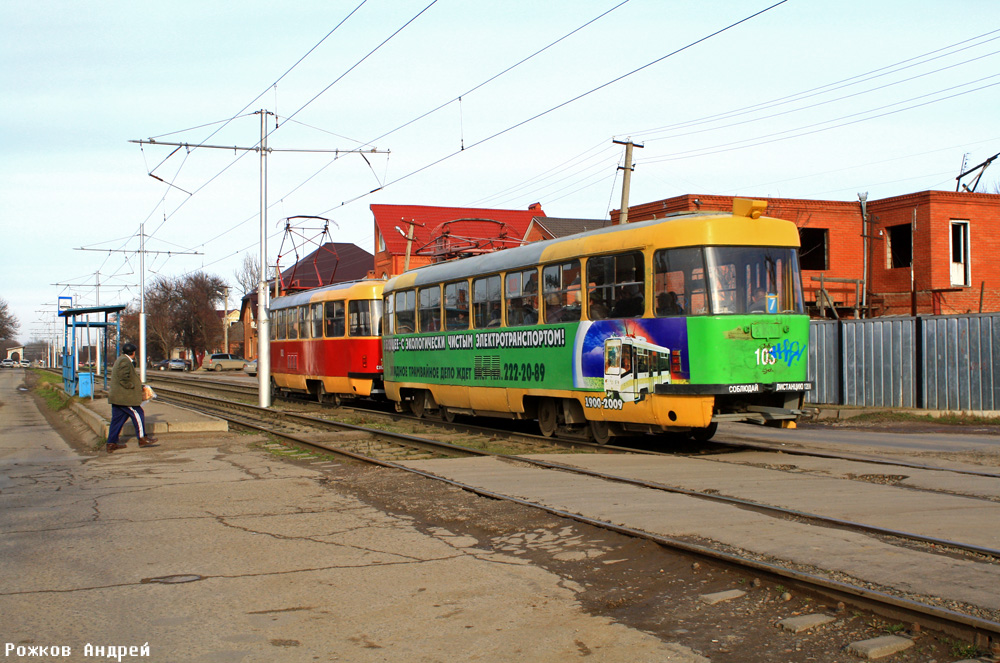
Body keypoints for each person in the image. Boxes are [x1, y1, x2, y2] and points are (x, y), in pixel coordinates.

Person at [106, 342, 158, 453]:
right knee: (138, 413)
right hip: (124, 397)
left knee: (117, 420)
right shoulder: (125, 361)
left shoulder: (121, 359)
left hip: (117, 397)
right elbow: (123, 379)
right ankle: (142, 438)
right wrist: (134, 386)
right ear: (133, 352)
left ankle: (111, 443)